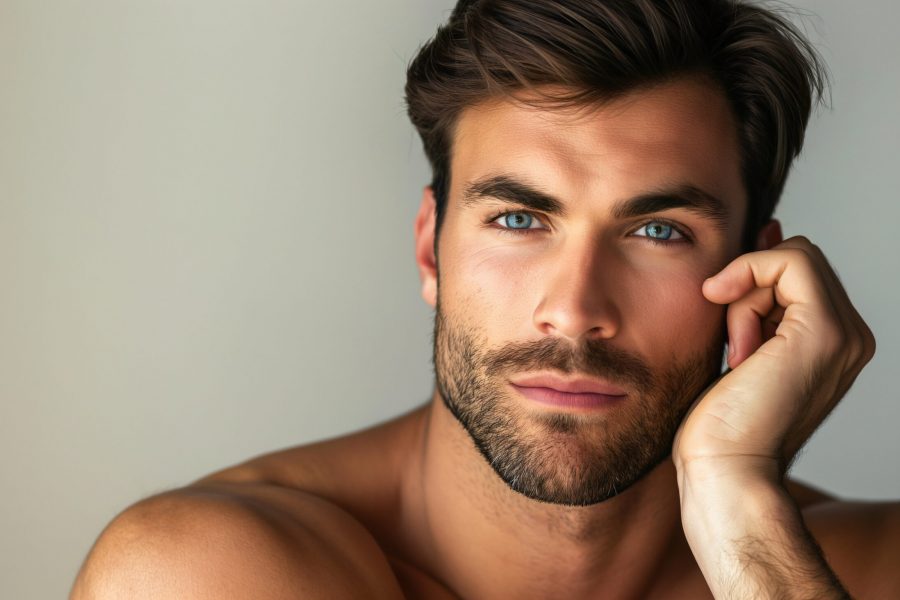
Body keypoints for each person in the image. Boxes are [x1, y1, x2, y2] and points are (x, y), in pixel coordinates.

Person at [71, 1, 897, 598]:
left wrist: (739, 498)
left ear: (755, 274)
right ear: (432, 245)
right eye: (518, 218)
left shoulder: (858, 569)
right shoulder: (208, 572)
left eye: (657, 232)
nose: (573, 311)